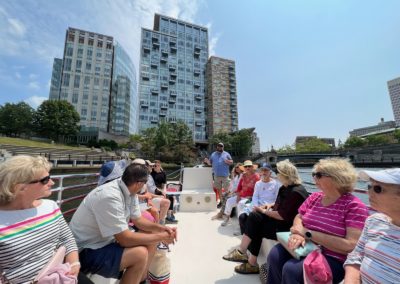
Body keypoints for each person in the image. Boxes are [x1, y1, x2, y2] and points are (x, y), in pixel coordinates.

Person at [69, 163, 177, 284]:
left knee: (150, 234)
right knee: (140, 254)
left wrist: (162, 229)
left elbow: (138, 220)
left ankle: (141, 280)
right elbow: (124, 239)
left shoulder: (130, 191)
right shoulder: (109, 196)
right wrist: (162, 237)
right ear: (139, 183)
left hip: (105, 242)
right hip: (86, 250)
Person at [267, 158, 368, 283]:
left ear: (337, 178)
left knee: (292, 270)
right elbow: (299, 216)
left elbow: (350, 245)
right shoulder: (315, 197)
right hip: (307, 246)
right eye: (313, 174)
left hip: (334, 258)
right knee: (275, 255)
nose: (314, 178)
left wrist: (307, 233)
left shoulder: (354, 206)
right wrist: (298, 233)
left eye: (319, 175)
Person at [0, 155, 80, 283]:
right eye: (45, 180)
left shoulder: (51, 207)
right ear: (20, 187)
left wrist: (74, 264)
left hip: (59, 276)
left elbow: (67, 238)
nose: (52, 183)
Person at [223, 159, 308, 274]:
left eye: (278, 173)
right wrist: (269, 205)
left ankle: (247, 257)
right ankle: (248, 258)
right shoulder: (286, 187)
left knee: (255, 221)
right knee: (254, 219)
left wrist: (262, 211)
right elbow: (278, 203)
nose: (276, 175)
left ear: (285, 175)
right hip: (279, 220)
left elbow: (282, 216)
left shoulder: (295, 192)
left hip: (287, 226)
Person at [344, 168, 400, 283]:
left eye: (378, 189)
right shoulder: (374, 221)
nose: (368, 192)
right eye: (370, 186)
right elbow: (356, 257)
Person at [237, 162, 281, 235]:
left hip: (268, 207)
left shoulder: (276, 184)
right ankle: (245, 235)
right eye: (262, 170)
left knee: (253, 218)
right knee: (242, 217)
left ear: (270, 172)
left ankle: (250, 237)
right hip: (257, 205)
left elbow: (277, 199)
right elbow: (255, 196)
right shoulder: (258, 183)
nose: (264, 172)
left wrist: (266, 206)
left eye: (266, 170)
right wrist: (256, 206)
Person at [221, 160, 260, 226]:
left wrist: (251, 197)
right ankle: (227, 218)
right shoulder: (243, 176)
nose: (247, 168)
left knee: (240, 205)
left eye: (249, 166)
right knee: (229, 201)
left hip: (250, 197)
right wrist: (238, 196)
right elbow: (239, 188)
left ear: (252, 167)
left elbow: (258, 189)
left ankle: (241, 225)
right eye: (246, 166)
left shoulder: (256, 177)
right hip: (241, 195)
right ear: (244, 168)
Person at [204, 142, 233, 208]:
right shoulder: (213, 154)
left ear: (223, 147)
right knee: (219, 189)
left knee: (227, 189)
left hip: (225, 175)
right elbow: (210, 163)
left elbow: (231, 162)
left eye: (221, 146)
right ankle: (221, 202)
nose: (220, 147)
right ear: (217, 147)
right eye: (219, 146)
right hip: (216, 175)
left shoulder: (226, 154)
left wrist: (228, 161)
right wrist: (207, 161)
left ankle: (227, 202)